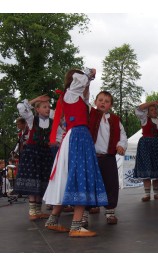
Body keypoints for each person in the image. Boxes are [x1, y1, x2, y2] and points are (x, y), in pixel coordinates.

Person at [43, 68, 108, 237]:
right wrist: (88, 72)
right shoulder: (71, 93)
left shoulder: (75, 97)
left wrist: (89, 79)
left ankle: (52, 220)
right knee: (81, 175)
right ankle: (76, 226)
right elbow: (79, 80)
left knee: (68, 177)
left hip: (76, 137)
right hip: (78, 137)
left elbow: (84, 91)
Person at [85, 91, 127, 225]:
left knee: (111, 184)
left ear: (111, 105)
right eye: (100, 100)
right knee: (89, 184)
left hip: (108, 157)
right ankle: (83, 214)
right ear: (95, 102)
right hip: (91, 157)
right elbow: (84, 98)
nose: (103, 102)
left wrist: (120, 145)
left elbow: (123, 135)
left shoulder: (115, 119)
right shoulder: (89, 113)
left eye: (107, 101)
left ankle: (110, 212)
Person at [14, 95, 54, 221]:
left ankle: (38, 210)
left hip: (45, 153)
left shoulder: (52, 121)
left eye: (48, 106)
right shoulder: (32, 119)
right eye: (44, 107)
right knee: (33, 179)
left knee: (41, 181)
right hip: (32, 153)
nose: (47, 109)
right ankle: (32, 211)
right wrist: (35, 100)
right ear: (37, 109)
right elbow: (21, 107)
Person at [133, 100, 158, 201]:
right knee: (147, 168)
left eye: (155, 109)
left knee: (157, 168)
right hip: (146, 145)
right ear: (148, 112)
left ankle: (157, 193)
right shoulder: (145, 119)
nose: (154, 111)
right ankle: (147, 194)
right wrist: (151, 102)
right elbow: (138, 109)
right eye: (151, 110)